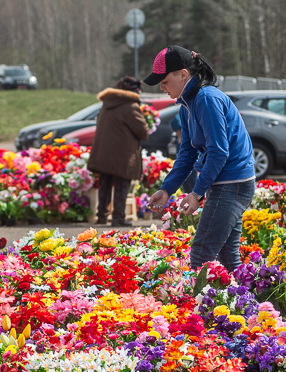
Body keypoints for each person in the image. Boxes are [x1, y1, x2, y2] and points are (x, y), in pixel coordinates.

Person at [145, 46, 255, 271]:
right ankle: (253, 305)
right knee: (227, 256)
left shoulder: (206, 98)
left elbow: (219, 151)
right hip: (229, 183)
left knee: (201, 253)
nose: (162, 87)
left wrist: (197, 193)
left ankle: (198, 305)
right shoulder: (187, 105)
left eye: (164, 81)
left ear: (183, 74)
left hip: (231, 184)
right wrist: (167, 189)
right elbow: (187, 153)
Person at [88, 76, 150, 227]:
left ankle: (101, 216)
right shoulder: (130, 107)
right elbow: (143, 132)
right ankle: (118, 217)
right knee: (122, 184)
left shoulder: (106, 104)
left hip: (104, 153)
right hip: (122, 154)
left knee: (105, 183)